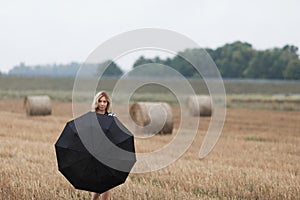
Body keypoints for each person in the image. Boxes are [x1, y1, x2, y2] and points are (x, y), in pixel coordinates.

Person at [90, 91, 113, 200]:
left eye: (105, 101)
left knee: (108, 182)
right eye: (100, 101)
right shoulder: (91, 117)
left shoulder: (112, 117)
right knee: (97, 183)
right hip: (95, 153)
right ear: (96, 102)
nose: (102, 104)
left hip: (108, 153)